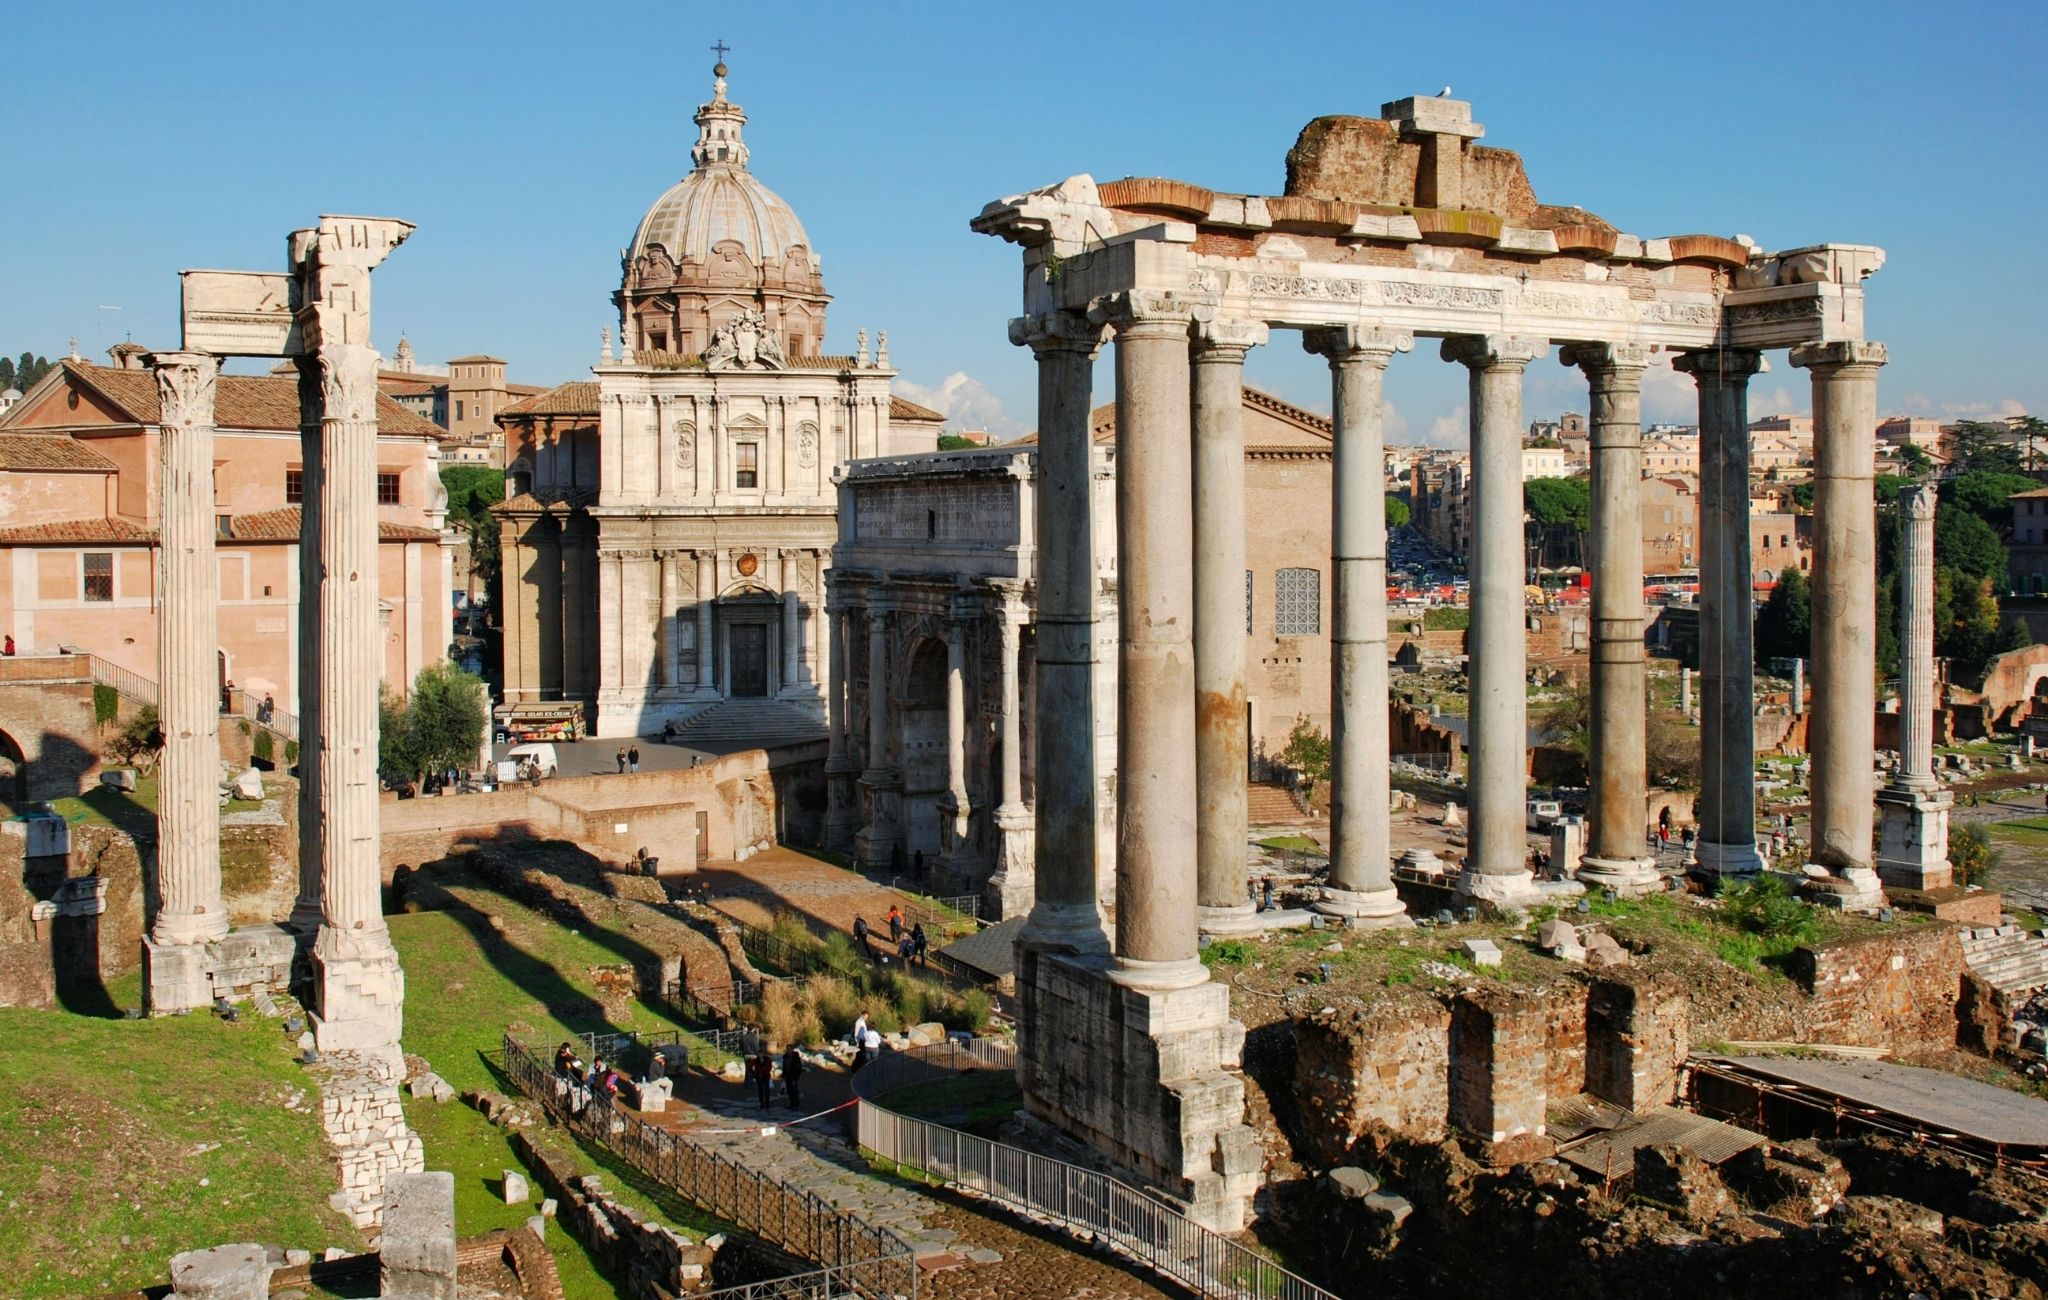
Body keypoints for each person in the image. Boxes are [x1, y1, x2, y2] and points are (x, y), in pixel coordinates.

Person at [781, 1044, 804, 1110]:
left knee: (794, 1091)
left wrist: (796, 1078)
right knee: (789, 1091)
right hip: (787, 1076)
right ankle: (791, 1104)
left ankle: (796, 1105)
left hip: (793, 1076)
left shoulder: (796, 1057)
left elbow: (798, 1069)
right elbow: (784, 1066)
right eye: (787, 1049)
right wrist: (783, 1075)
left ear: (792, 1049)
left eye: (789, 1049)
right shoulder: (785, 1057)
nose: (788, 1050)